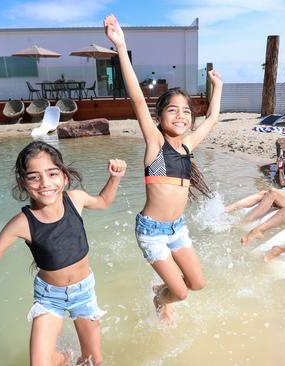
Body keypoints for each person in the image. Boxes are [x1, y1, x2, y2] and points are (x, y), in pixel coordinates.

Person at [0, 141, 126, 366]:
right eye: (34, 177)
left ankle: (66, 359)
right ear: (23, 183)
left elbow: (104, 202)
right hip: (50, 297)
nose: (45, 183)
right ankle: (61, 359)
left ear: (64, 176)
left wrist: (115, 177)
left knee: (92, 361)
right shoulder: (22, 223)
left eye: (52, 173)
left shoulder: (76, 200)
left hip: (84, 292)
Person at [104, 14, 223, 326]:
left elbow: (211, 119)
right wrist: (120, 46)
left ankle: (163, 289)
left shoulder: (187, 146)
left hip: (177, 229)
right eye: (173, 110)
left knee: (197, 284)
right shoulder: (156, 142)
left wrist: (218, 87)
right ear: (160, 116)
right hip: (152, 233)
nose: (181, 116)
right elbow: (137, 100)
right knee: (180, 293)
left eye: (186, 111)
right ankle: (162, 299)